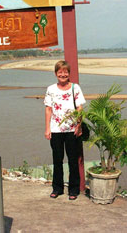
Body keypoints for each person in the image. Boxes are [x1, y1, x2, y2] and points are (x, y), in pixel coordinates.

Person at [44, 60, 86, 200]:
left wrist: (79, 126)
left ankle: (74, 190)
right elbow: (48, 109)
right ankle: (57, 188)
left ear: (69, 73)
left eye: (65, 72)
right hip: (56, 130)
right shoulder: (51, 89)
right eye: (60, 72)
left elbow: (80, 108)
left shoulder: (75, 88)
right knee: (57, 160)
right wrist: (47, 128)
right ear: (56, 73)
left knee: (73, 160)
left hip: (72, 129)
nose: (63, 74)